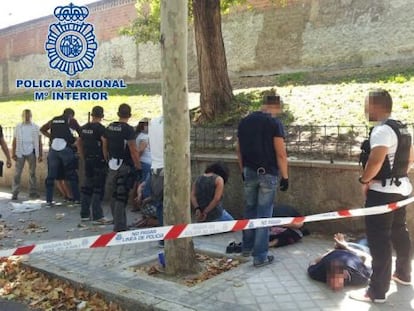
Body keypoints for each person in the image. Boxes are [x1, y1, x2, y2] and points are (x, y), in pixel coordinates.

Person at [350, 89, 414, 303]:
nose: (365, 109)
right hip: (402, 189)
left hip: (382, 192)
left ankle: (376, 292)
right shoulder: (402, 128)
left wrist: (365, 181)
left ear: (376, 106)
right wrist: (400, 175)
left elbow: (375, 161)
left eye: (367, 104)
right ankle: (403, 274)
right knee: (399, 231)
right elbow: (411, 156)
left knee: (379, 240)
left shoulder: (381, 130)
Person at [236, 94, 289, 267]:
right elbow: (280, 153)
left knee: (249, 211)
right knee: (264, 215)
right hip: (268, 173)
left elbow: (239, 149)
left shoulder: (244, 122)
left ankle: (246, 248)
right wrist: (285, 176)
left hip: (249, 171)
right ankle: (260, 256)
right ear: (275, 106)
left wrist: (242, 169)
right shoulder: (274, 123)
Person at [103, 104, 140, 232]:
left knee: (114, 194)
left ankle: (117, 221)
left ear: (118, 114)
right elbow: (133, 149)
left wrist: (106, 156)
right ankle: (120, 226)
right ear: (129, 115)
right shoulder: (128, 129)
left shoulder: (110, 126)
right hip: (124, 165)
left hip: (112, 163)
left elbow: (104, 141)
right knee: (121, 195)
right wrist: (138, 166)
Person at [40, 108, 81, 206]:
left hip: (53, 149)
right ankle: (77, 199)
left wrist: (52, 137)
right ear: (71, 115)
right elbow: (81, 133)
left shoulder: (53, 120)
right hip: (66, 149)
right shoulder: (71, 120)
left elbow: (42, 129)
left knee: (51, 176)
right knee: (72, 175)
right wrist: (75, 142)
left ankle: (49, 200)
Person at [77, 106, 110, 224]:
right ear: (102, 116)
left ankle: (84, 214)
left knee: (87, 188)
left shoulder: (84, 128)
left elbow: (79, 142)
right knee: (98, 189)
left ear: (92, 115)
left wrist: (82, 156)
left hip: (88, 161)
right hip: (98, 161)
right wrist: (105, 156)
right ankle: (97, 216)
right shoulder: (101, 129)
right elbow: (104, 141)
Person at [11, 109, 42, 200]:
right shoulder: (18, 127)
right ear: (22, 116)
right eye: (25, 115)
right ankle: (15, 192)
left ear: (31, 116)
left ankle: (33, 192)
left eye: (29, 115)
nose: (27, 117)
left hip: (32, 152)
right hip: (20, 151)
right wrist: (13, 153)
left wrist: (40, 154)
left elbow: (39, 142)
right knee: (17, 173)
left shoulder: (36, 127)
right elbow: (14, 140)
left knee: (32, 173)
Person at [148, 116, 165, 247]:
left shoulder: (153, 122)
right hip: (167, 168)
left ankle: (163, 237)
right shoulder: (174, 120)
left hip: (155, 167)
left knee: (160, 205)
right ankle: (168, 236)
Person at [132, 118, 151, 211]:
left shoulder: (139, 136)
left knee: (139, 183)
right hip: (145, 162)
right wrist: (138, 160)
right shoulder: (144, 137)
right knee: (143, 184)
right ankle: (140, 204)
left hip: (142, 162)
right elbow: (141, 150)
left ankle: (136, 204)